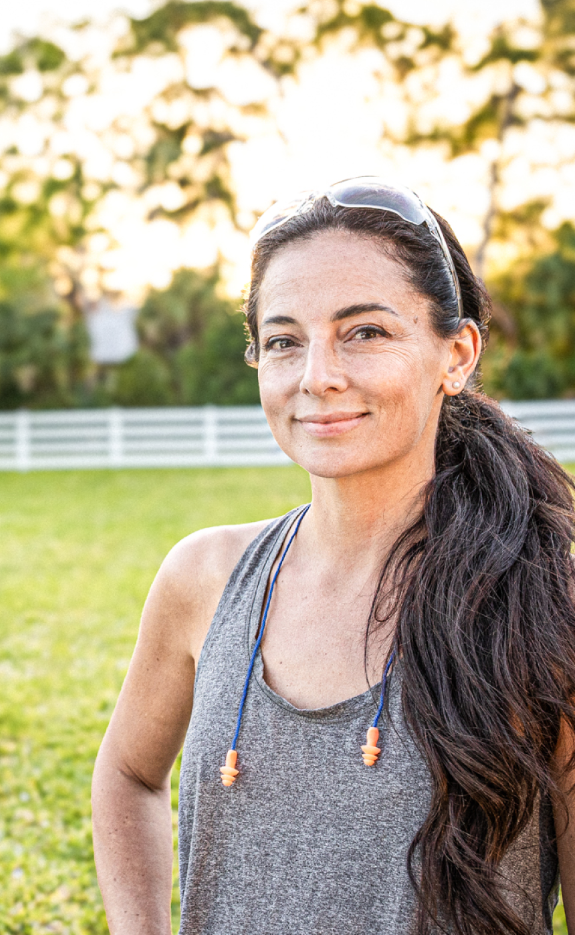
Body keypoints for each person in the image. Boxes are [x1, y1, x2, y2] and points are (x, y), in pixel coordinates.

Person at [91, 177, 575, 935]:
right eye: (284, 341)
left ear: (456, 354)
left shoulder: (548, 602)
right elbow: (128, 774)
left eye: (365, 332)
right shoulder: (204, 577)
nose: (317, 376)